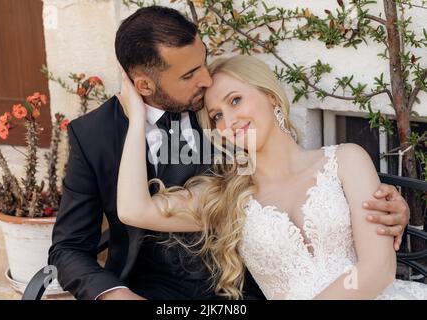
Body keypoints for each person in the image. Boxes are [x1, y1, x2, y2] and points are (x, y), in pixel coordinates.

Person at [49, 6, 410, 300]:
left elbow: (372, 261)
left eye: (204, 62)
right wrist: (113, 294)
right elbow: (72, 245)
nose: (205, 79)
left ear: (270, 95)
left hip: (239, 296)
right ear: (143, 85)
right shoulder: (94, 136)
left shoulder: (212, 97)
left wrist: (383, 204)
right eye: (192, 74)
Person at [116, 54, 427, 299]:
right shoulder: (225, 196)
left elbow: (378, 269)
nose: (230, 120)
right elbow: (133, 210)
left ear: (271, 97)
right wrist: (136, 121)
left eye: (235, 100)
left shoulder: (347, 160)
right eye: (217, 116)